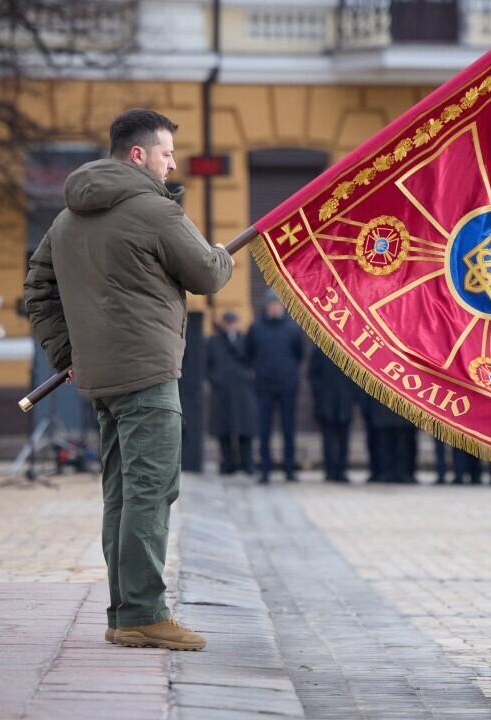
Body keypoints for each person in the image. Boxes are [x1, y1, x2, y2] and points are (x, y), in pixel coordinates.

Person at [25, 108, 232, 651]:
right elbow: (208, 273)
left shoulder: (67, 217)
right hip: (148, 373)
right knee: (150, 490)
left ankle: (125, 612)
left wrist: (67, 354)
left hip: (100, 377)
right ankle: (142, 613)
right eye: (166, 154)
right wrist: (222, 259)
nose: (172, 165)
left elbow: (37, 289)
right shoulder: (153, 210)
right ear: (138, 155)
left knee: (121, 494)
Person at [245, 291, 304, 483]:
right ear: (266, 306)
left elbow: (299, 354)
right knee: (264, 429)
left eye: (278, 304)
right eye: (272, 304)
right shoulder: (256, 328)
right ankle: (265, 469)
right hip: (264, 386)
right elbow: (249, 353)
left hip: (287, 386)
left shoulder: (292, 328)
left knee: (288, 428)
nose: (275, 307)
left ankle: (289, 468)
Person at [205, 311, 256, 475]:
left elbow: (251, 359)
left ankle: (247, 464)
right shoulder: (213, 341)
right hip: (223, 392)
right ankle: (228, 464)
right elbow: (207, 365)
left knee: (245, 430)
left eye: (233, 322)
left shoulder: (244, 340)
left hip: (243, 392)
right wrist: (216, 380)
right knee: (224, 430)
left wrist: (248, 377)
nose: (231, 326)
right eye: (228, 323)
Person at [308, 347, 355, 483]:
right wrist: (319, 393)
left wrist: (351, 396)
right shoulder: (320, 348)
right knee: (328, 439)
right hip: (326, 401)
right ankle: (330, 470)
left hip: (344, 400)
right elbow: (313, 374)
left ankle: (342, 469)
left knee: (343, 439)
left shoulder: (350, 348)